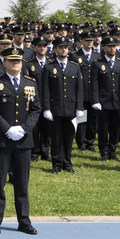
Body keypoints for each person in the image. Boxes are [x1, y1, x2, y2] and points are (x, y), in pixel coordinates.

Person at [0, 47, 39, 235]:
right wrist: (7, 129)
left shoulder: (31, 83)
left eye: (19, 61)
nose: (16, 63)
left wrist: (24, 129)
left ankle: (24, 221)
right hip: (1, 140)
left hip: (23, 141)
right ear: (4, 63)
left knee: (22, 184)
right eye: (12, 60)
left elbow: (36, 109)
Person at [39, 37, 85, 173]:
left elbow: (79, 89)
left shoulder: (75, 67)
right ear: (55, 49)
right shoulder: (49, 67)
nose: (64, 49)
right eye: (60, 47)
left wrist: (79, 108)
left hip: (71, 108)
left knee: (69, 138)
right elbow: (45, 90)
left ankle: (68, 164)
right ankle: (57, 164)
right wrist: (46, 108)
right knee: (56, 138)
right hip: (55, 109)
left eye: (66, 47)